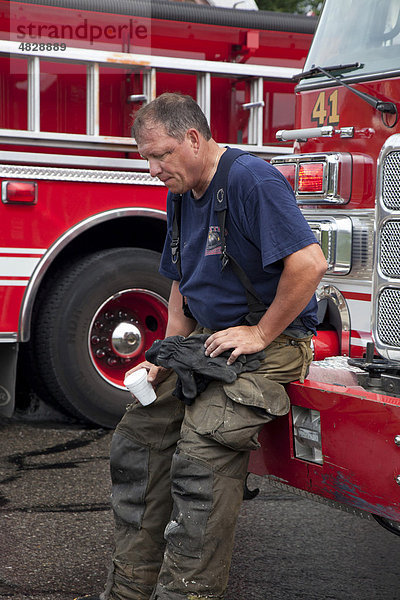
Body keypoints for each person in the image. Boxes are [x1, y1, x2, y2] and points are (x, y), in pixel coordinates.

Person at [75, 92, 327, 600]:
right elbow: (182, 285)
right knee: (138, 442)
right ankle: (128, 591)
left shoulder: (251, 181)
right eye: (145, 157)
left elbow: (309, 265)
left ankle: (185, 595)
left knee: (199, 457)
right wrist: (164, 359)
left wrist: (259, 333)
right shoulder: (180, 192)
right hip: (208, 341)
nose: (152, 168)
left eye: (159, 154)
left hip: (273, 343)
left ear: (193, 137)